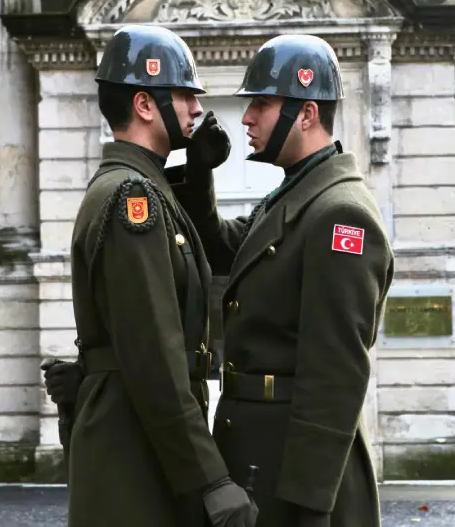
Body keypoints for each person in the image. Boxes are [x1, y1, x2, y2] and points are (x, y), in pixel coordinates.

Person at [167, 34, 395, 527]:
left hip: (296, 471)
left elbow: (335, 373)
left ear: (307, 113)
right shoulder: (295, 196)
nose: (246, 117)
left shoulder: (340, 216)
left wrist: (310, 504)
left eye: (262, 104)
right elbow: (226, 250)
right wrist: (199, 173)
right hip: (259, 451)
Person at [48, 24, 258, 527]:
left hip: (140, 437)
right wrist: (210, 479)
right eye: (185, 95)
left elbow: (196, 244)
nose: (195, 109)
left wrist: (198, 171)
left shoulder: (139, 187)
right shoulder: (131, 199)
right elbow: (153, 356)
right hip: (134, 447)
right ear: (145, 105)